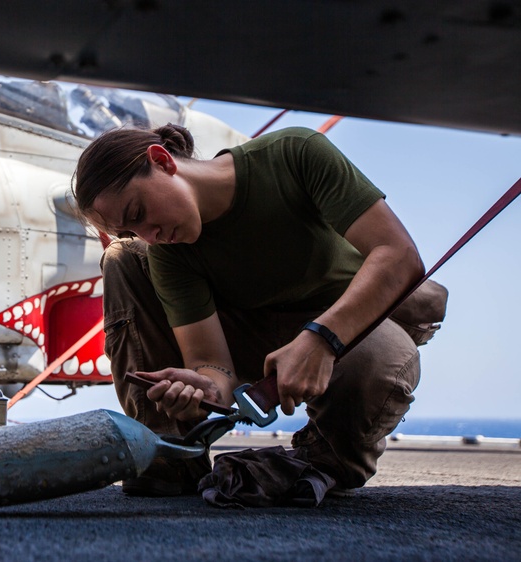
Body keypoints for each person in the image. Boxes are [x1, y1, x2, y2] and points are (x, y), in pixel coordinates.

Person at [73, 124, 445, 501]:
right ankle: (169, 454)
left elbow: (397, 254)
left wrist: (322, 339)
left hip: (347, 324)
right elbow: (212, 364)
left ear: (162, 160)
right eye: (131, 229)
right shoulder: (167, 252)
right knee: (123, 258)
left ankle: (321, 459)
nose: (149, 235)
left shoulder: (293, 153)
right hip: (253, 332)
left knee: (381, 366)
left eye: (139, 212)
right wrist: (201, 388)